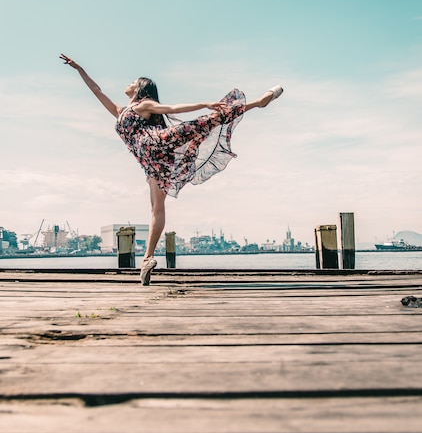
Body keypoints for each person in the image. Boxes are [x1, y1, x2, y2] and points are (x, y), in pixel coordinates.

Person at [59, 53, 283, 285]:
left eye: (132, 82)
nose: (128, 84)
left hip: (159, 142)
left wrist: (204, 103)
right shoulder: (120, 111)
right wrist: (79, 68)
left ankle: (258, 102)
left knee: (204, 122)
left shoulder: (143, 105)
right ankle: (147, 259)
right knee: (157, 208)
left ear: (140, 89)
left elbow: (173, 108)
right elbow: (96, 90)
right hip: (154, 162)